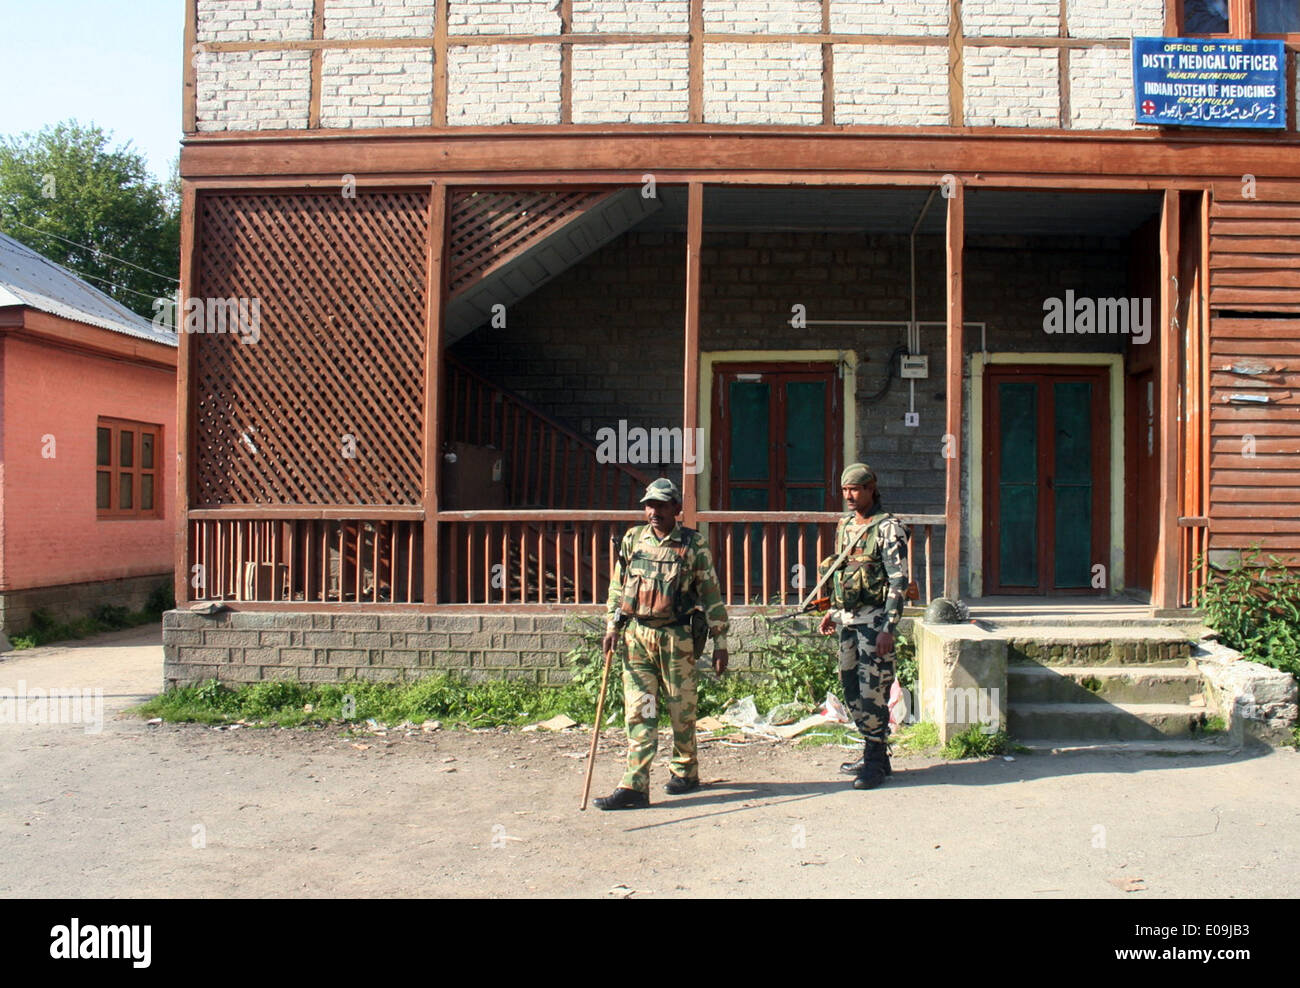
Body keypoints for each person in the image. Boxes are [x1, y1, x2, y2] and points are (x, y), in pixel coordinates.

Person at [593, 478, 730, 810]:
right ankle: (635, 785)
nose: (653, 511)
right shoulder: (632, 540)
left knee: (680, 708)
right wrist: (612, 624)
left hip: (677, 638)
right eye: (649, 505)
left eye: (661, 505)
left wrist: (720, 642)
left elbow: (711, 593)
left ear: (676, 510)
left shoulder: (692, 545)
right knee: (641, 709)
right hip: (636, 637)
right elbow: (617, 585)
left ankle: (685, 771)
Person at [817, 463, 909, 790]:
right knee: (851, 687)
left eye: (855, 489)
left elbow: (899, 581)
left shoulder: (888, 529)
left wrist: (889, 628)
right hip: (847, 619)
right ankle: (876, 751)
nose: (849, 496)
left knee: (874, 690)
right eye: (845, 490)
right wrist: (831, 609)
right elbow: (840, 574)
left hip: (875, 622)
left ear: (871, 488)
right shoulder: (845, 526)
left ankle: (874, 759)